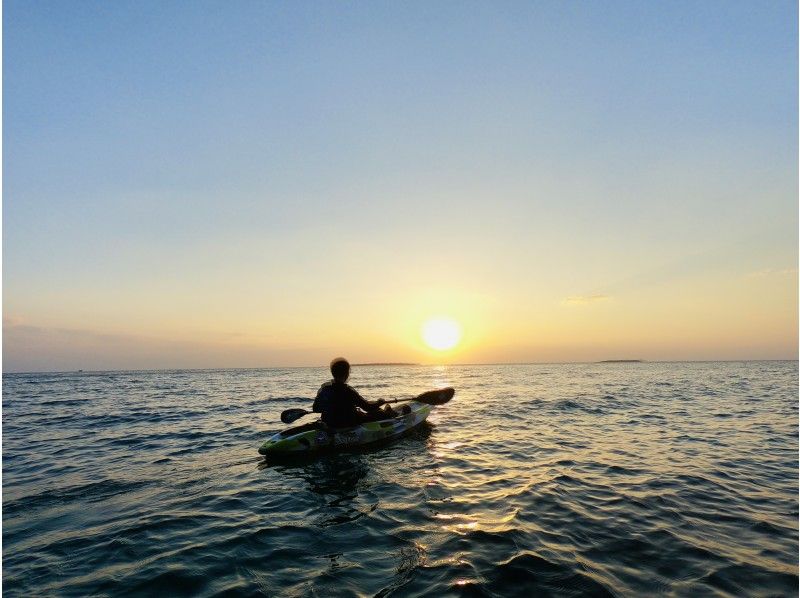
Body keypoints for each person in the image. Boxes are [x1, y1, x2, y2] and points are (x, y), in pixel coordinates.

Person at [312, 357, 398, 428]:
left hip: (329, 424)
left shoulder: (324, 389)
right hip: (349, 423)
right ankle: (389, 413)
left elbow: (316, 409)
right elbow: (367, 407)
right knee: (378, 413)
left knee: (369, 411)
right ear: (346, 374)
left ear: (333, 373)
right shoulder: (348, 390)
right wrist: (379, 403)